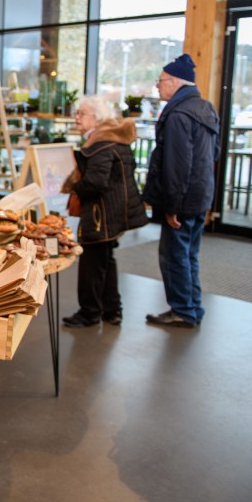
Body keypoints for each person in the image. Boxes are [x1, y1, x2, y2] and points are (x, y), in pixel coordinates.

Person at [142, 54, 220, 328]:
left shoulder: (178, 114)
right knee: (189, 255)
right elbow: (214, 153)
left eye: (160, 81)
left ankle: (183, 310)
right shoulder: (205, 107)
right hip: (201, 196)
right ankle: (192, 307)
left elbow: (176, 165)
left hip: (182, 201)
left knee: (174, 256)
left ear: (175, 81)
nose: (157, 87)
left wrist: (172, 206)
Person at [61, 95, 148, 328]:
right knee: (106, 261)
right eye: (77, 113)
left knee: (92, 263)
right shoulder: (113, 139)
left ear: (97, 119)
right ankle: (112, 310)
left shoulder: (101, 145)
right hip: (114, 212)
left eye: (82, 114)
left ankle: (89, 312)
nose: (76, 118)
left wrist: (75, 188)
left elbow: (96, 183)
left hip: (102, 215)